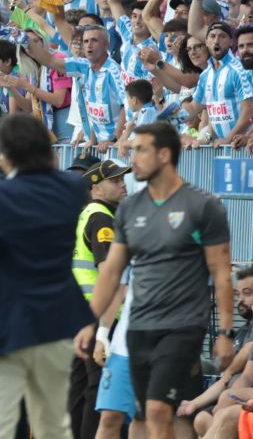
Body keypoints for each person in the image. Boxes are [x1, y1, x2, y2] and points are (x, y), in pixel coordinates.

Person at [76, 123, 235, 439]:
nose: (132, 161)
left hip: (176, 330)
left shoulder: (203, 207)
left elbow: (221, 274)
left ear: (164, 155)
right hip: (131, 334)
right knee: (114, 417)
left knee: (158, 414)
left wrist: (226, 333)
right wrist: (98, 328)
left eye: (140, 151)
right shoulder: (128, 209)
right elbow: (114, 276)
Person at [0, 114, 94, 439]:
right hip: (58, 321)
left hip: (8, 323)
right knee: (53, 423)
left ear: (6, 155)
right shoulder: (72, 188)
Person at [68, 155, 128, 439]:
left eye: (123, 179)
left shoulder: (86, 214)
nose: (122, 184)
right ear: (95, 188)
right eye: (114, 181)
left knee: (79, 389)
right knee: (99, 391)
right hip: (100, 317)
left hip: (80, 316)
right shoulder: (102, 217)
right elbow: (110, 274)